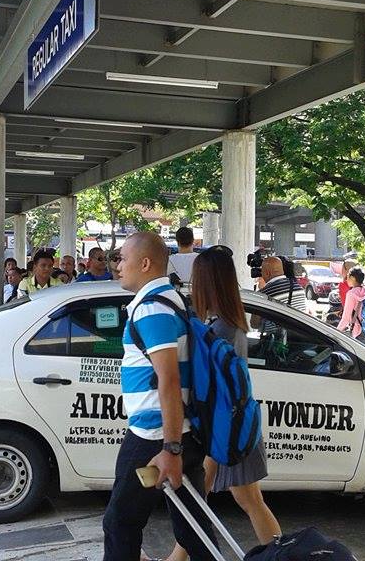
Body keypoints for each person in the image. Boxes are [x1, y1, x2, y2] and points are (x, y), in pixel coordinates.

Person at [104, 231, 219, 561]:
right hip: (179, 431)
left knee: (120, 524)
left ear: (144, 263)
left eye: (122, 259)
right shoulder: (170, 301)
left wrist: (170, 448)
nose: (118, 266)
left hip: (154, 436)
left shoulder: (152, 309)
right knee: (193, 528)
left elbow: (168, 379)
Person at [163, 246, 281, 561]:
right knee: (213, 500)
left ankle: (284, 555)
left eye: (197, 279)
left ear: (207, 282)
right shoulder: (230, 321)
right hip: (233, 423)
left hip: (225, 427)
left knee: (241, 501)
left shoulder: (219, 330)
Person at [336, 266, 365, 345]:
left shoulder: (351, 294)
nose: (346, 279)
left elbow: (346, 319)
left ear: (352, 278)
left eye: (347, 276)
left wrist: (335, 333)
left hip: (359, 333)